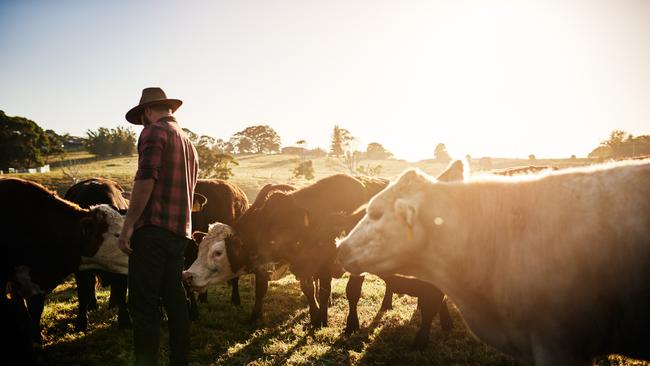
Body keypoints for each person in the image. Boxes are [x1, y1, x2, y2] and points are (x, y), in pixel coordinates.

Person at [119, 87, 198, 366]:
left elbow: (146, 179)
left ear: (148, 111)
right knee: (175, 300)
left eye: (142, 117)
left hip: (152, 231)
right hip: (179, 233)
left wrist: (128, 226)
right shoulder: (188, 142)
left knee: (143, 304)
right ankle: (180, 361)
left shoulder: (153, 132)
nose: (142, 123)